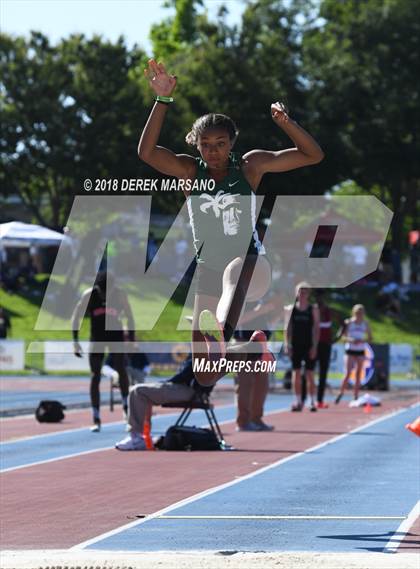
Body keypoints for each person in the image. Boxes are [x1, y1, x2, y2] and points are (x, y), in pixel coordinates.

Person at [139, 59, 324, 387]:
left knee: (232, 273)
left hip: (251, 265)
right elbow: (147, 153)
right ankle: (252, 349)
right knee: (204, 374)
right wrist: (162, 99)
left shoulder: (250, 166)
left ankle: (221, 338)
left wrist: (287, 123)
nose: (213, 151)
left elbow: (313, 156)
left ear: (231, 144)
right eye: (206, 145)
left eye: (221, 144)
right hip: (208, 270)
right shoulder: (188, 171)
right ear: (197, 145)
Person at [71, 271, 135, 432]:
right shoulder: (89, 295)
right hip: (97, 337)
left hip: (115, 335)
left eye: (109, 292)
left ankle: (126, 409)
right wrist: (75, 341)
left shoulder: (120, 294)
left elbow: (130, 316)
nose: (106, 295)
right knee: (95, 375)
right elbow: (76, 316)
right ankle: (96, 416)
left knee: (121, 369)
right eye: (103, 292)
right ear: (98, 288)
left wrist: (132, 340)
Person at [115, 355, 212, 451]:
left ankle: (137, 437)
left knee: (138, 391)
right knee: (139, 391)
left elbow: (185, 374)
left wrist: (165, 382)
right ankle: (142, 436)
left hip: (190, 391)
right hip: (193, 391)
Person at [284, 282, 320, 412]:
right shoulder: (290, 309)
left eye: (305, 291)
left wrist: (315, 346)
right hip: (295, 345)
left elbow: (316, 328)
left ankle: (312, 401)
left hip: (309, 345)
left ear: (309, 293)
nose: (303, 293)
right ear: (296, 293)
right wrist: (287, 344)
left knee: (310, 374)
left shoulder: (313, 309)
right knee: (296, 373)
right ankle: (298, 401)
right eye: (300, 291)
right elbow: (287, 328)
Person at [335, 304, 373, 404]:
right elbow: (342, 337)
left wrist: (362, 340)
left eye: (361, 313)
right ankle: (341, 392)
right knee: (348, 373)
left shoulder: (365, 323)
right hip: (350, 350)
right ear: (354, 312)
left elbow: (370, 338)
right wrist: (351, 340)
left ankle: (355, 395)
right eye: (357, 313)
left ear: (363, 313)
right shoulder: (349, 322)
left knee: (358, 373)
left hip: (360, 350)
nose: (359, 315)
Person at [313, 290, 340, 409]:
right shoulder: (312, 310)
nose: (320, 301)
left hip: (326, 346)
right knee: (308, 372)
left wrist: (336, 339)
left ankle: (319, 400)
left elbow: (343, 324)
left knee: (323, 374)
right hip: (313, 345)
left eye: (322, 298)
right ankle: (306, 399)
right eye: (318, 298)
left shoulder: (330, 311)